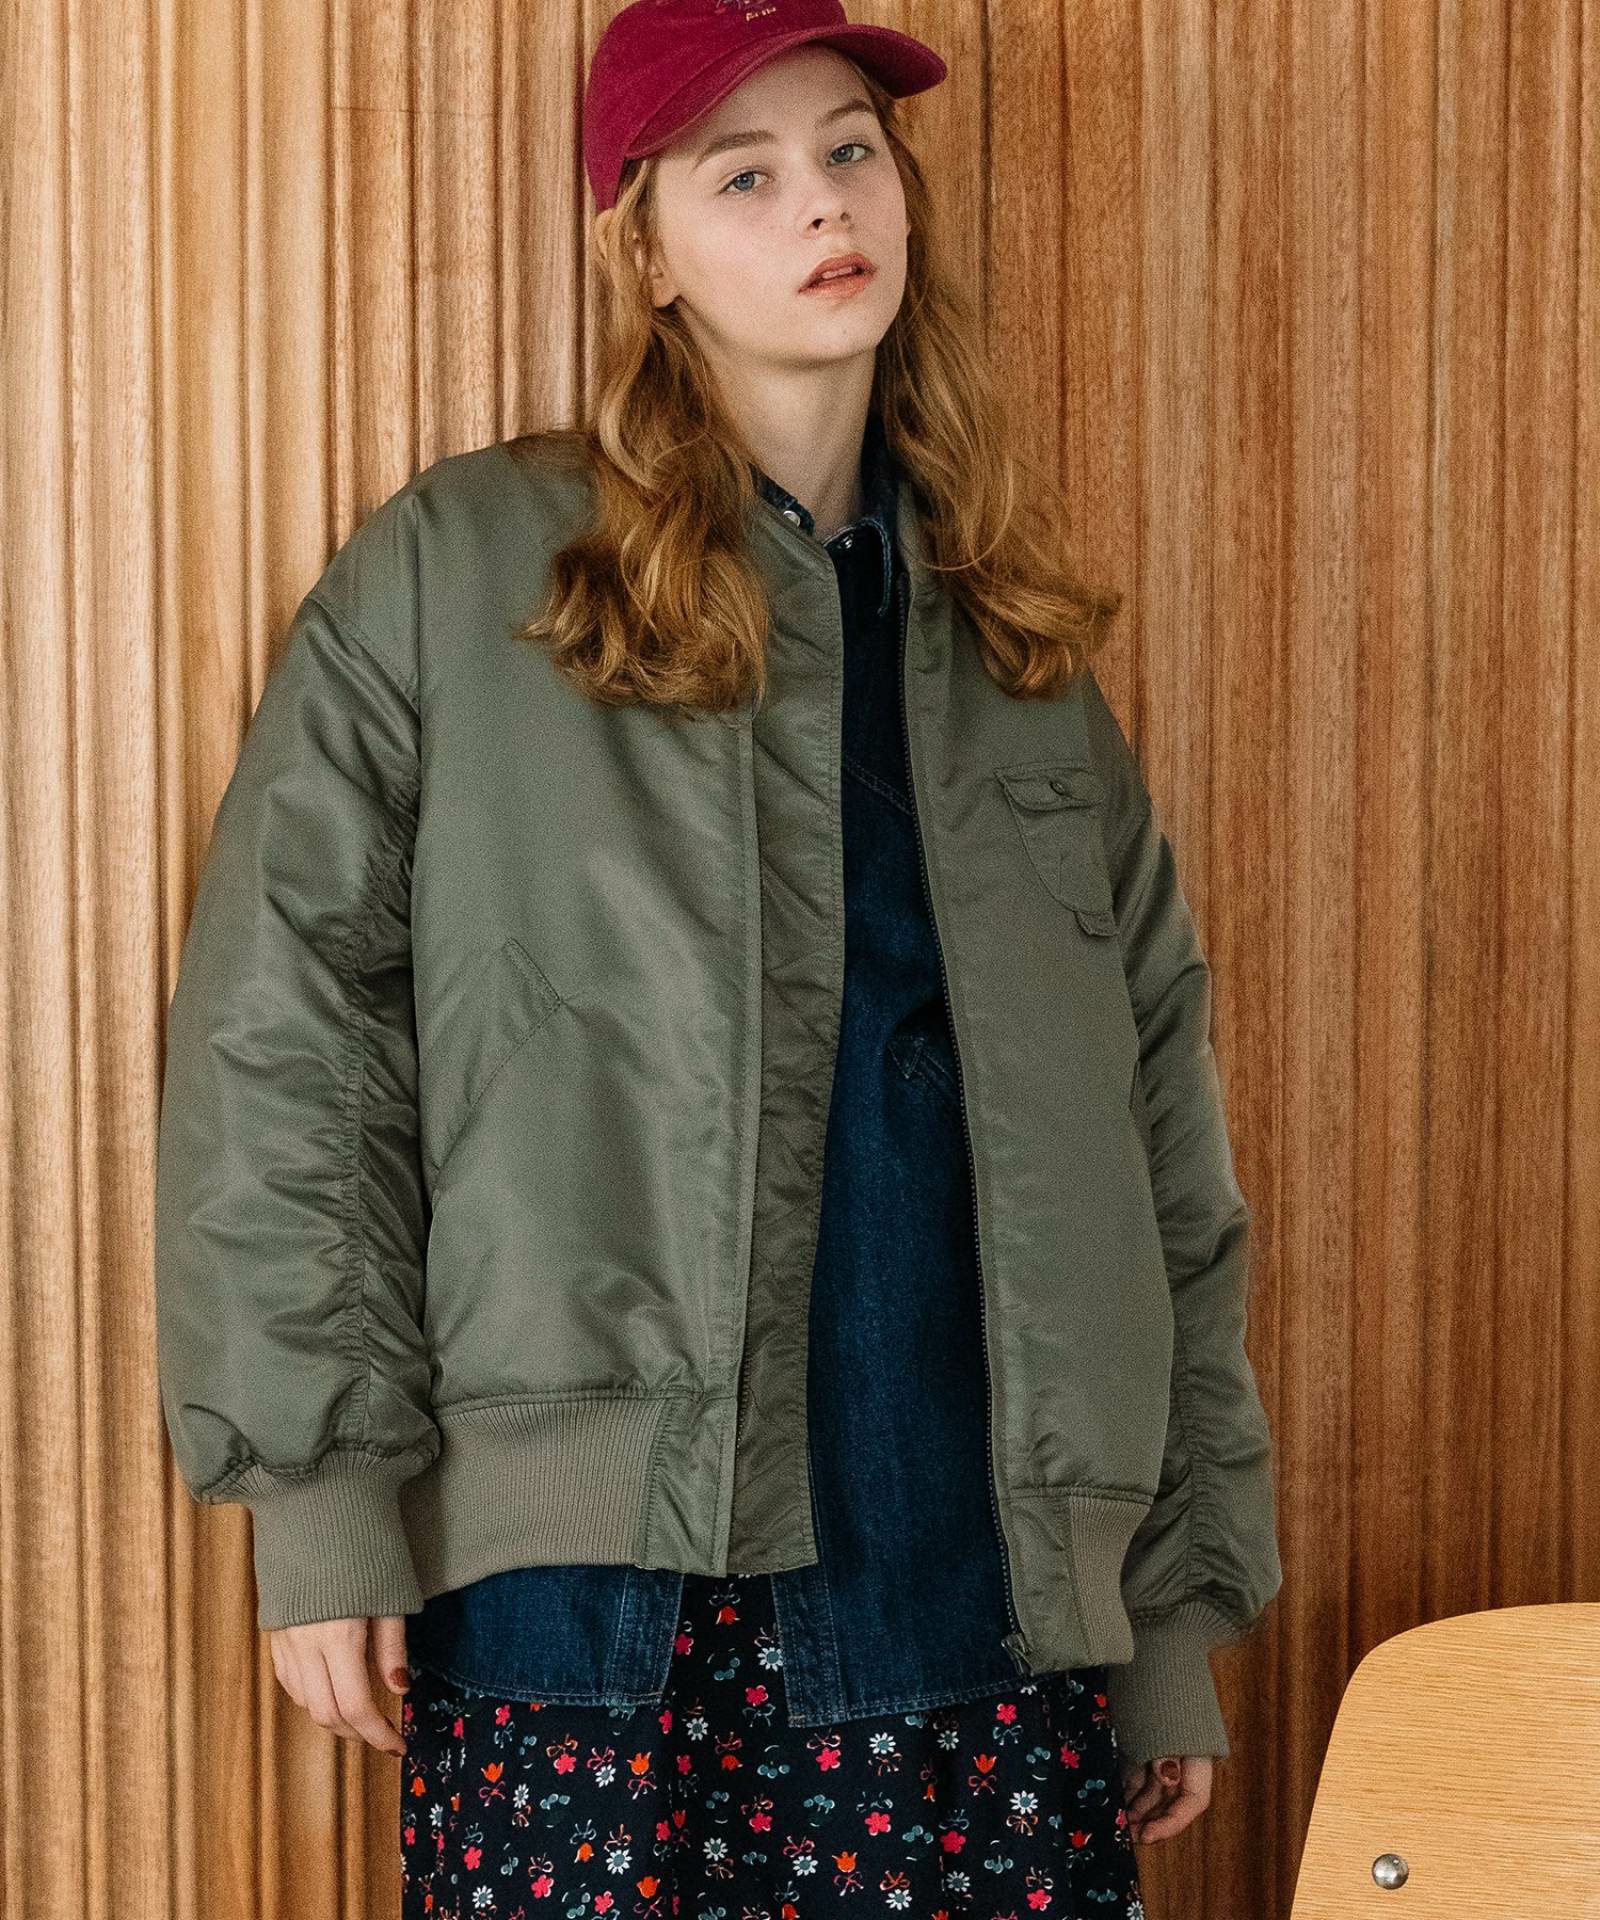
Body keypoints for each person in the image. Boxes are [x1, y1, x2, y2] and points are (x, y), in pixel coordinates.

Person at [151, 3, 1282, 1914]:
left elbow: (1162, 1143)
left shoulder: (1022, 659)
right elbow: (289, 1043)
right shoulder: (458, 572)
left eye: (848, 151)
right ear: (647, 253)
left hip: (983, 1610)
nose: (821, 205)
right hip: (589, 1623)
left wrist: (1166, 1601)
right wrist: (321, 1497)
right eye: (742, 176)